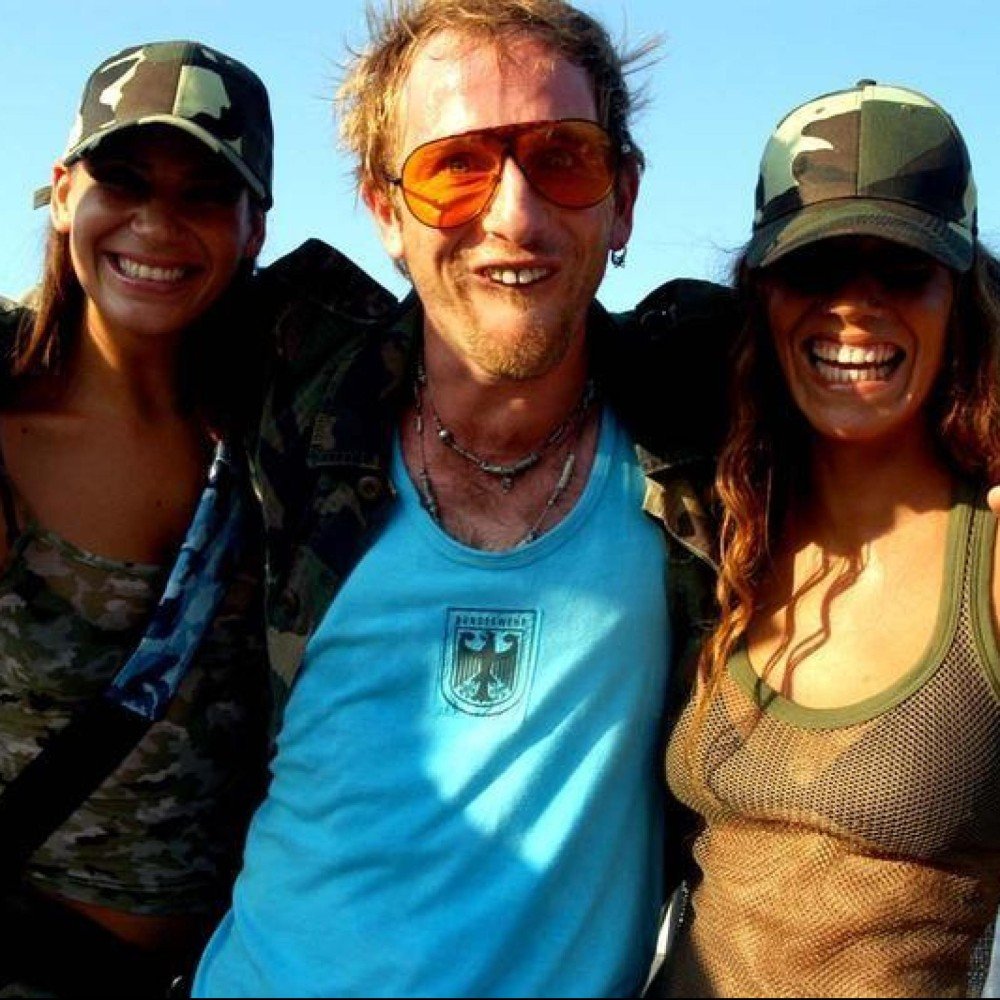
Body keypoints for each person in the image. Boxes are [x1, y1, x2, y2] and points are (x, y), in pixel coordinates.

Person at [190, 0, 738, 996]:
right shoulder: (287, 401)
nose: (514, 215)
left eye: (563, 158)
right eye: (456, 168)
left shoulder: (712, 436)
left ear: (622, 199)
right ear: (383, 210)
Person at [649, 80, 1000, 997]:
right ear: (761, 297)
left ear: (960, 297)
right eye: (816, 270)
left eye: (903, 271)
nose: (854, 307)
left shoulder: (992, 562)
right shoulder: (723, 530)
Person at [0, 41, 273, 997]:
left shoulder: (294, 445)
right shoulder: (7, 439)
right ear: (62, 192)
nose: (156, 224)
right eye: (123, 180)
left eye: (205, 193)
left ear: (254, 228)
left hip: (229, 971)